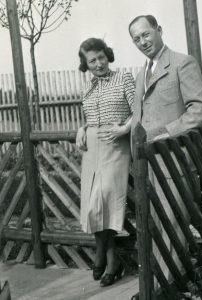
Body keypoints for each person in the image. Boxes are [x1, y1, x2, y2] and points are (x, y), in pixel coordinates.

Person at [128, 15, 202, 283]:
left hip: (173, 161)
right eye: (137, 38)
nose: (143, 42)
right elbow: (140, 118)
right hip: (146, 165)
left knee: (173, 223)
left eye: (146, 34)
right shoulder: (141, 73)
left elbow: (199, 110)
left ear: (159, 30)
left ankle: (170, 285)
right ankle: (161, 283)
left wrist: (165, 132)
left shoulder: (181, 63)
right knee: (152, 224)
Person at [76, 38, 135, 287]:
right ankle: (111, 258)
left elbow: (139, 110)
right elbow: (90, 116)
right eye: (92, 61)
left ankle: (101, 254)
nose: (98, 64)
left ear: (107, 55)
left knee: (106, 201)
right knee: (92, 205)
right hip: (92, 149)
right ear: (86, 64)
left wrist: (123, 129)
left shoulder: (124, 78)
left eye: (101, 57)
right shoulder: (88, 88)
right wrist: (82, 128)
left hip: (115, 146)